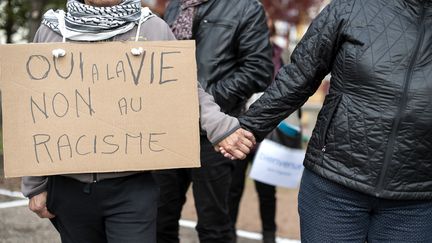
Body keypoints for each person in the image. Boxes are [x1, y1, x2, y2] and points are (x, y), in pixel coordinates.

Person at [22, 0, 255, 242]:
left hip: (132, 187)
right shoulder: (52, 30)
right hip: (68, 186)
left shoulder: (153, 28)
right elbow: (33, 109)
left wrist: (222, 127)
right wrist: (35, 184)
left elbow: (185, 87)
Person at [220, 0, 432, 242]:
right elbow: (299, 76)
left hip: (417, 197)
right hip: (334, 184)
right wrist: (247, 128)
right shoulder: (352, 7)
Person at [153, 0, 273, 242]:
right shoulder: (175, 5)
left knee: (214, 227)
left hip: (217, 134)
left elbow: (259, 70)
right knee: (158, 221)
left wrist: (205, 102)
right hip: (170, 129)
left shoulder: (246, 7)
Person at [228, 16, 301, 243]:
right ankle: (227, 233)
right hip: (238, 128)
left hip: (268, 135)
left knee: (267, 191)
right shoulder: (238, 50)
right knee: (233, 188)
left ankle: (269, 235)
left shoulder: (281, 55)